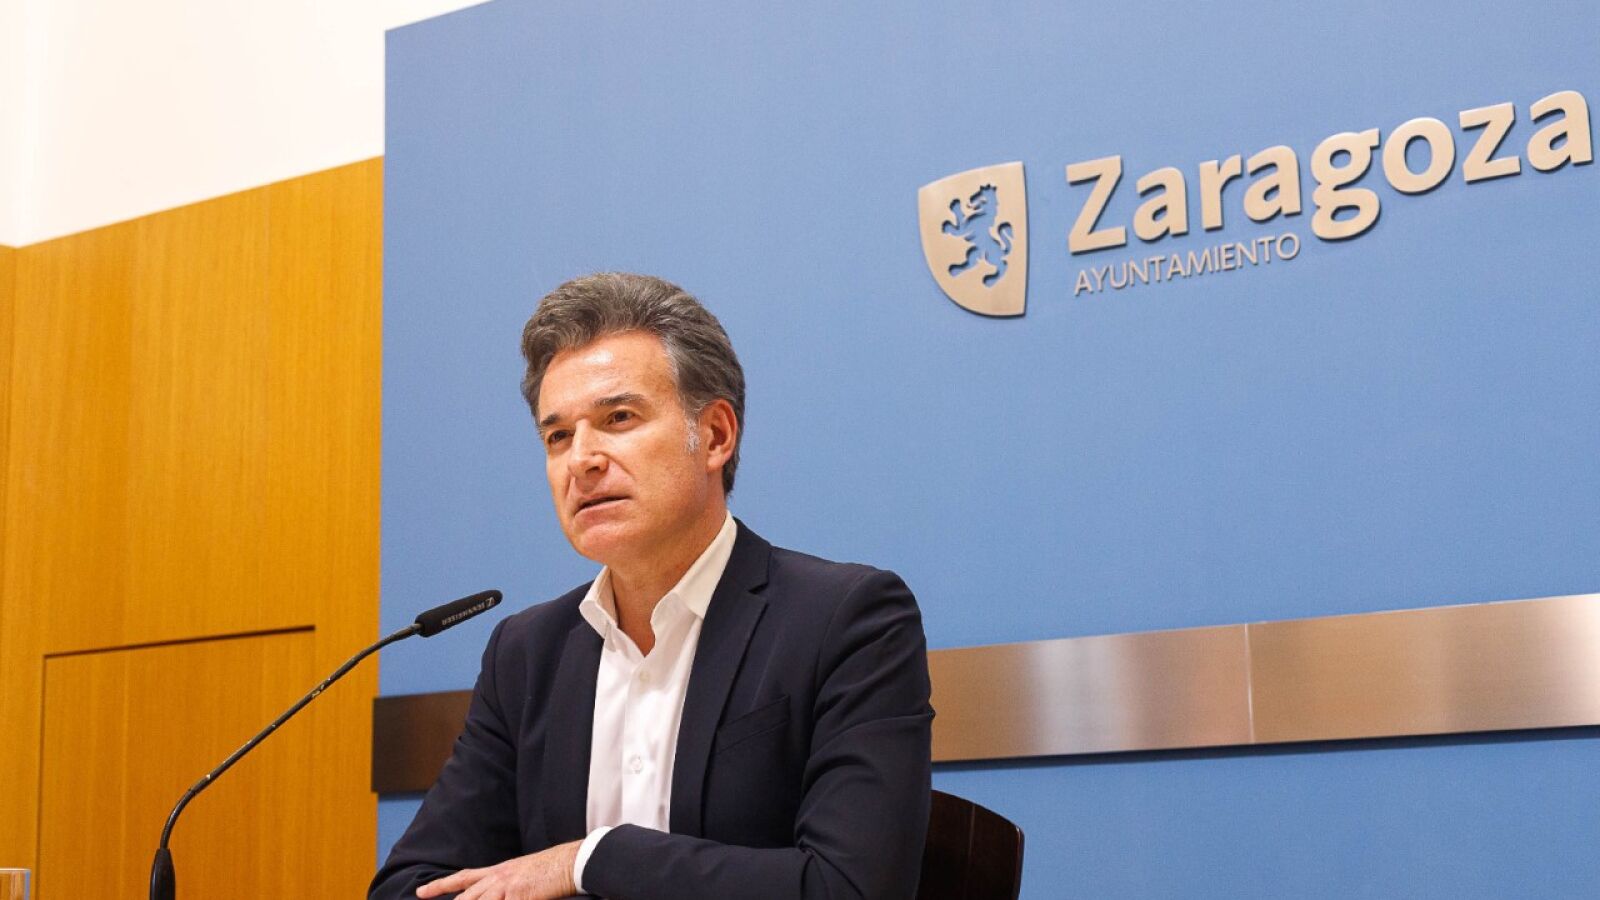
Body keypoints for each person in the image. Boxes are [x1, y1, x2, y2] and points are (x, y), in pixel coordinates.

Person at [369, 273, 934, 900]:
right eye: (558, 436)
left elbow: (852, 888)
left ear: (715, 436)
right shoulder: (526, 654)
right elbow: (408, 885)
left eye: (618, 418)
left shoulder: (844, 621)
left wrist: (589, 859)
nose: (582, 459)